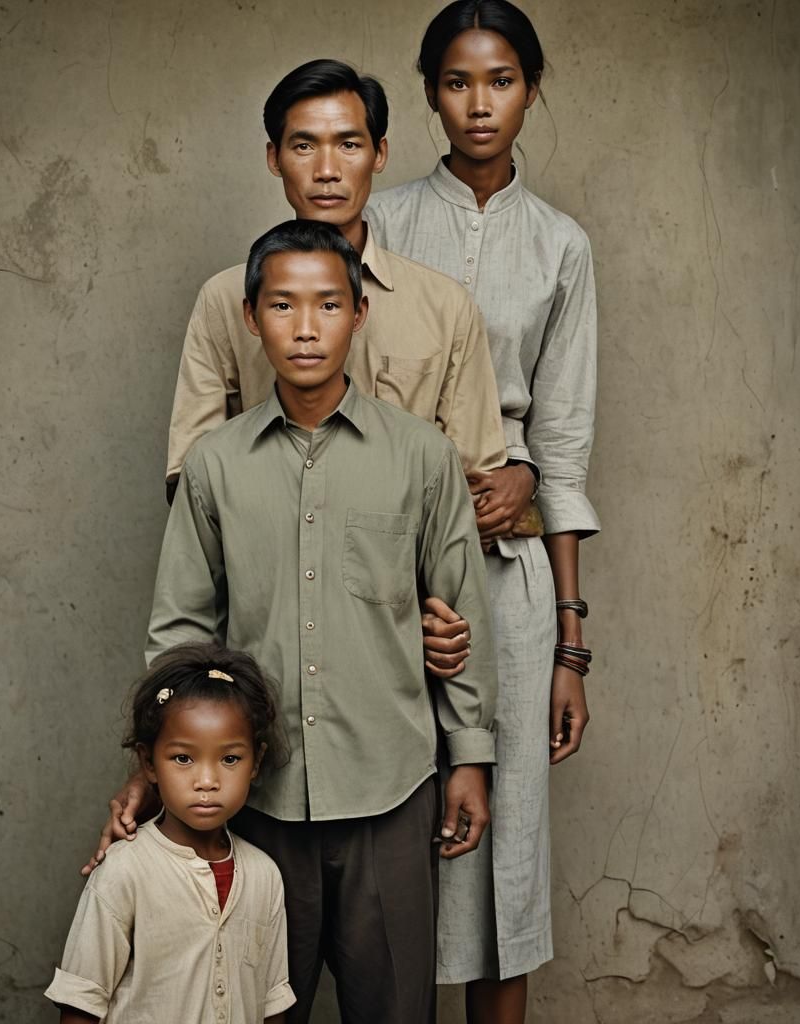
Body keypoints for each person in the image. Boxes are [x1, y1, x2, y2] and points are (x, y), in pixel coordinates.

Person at [83, 57, 513, 870]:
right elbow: (195, 492)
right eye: (302, 145)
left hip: (396, 676)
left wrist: (407, 603)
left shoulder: (443, 306)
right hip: (264, 673)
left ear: (380, 153)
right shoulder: (222, 303)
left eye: (347, 144)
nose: (325, 168)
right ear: (273, 156)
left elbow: (472, 501)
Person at [146, 219, 498, 1023]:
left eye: (329, 305)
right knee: (257, 1008)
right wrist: (165, 767)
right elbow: (178, 633)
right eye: (282, 306)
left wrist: (471, 756)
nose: (306, 328)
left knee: (398, 1008)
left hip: (392, 789)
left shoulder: (422, 457)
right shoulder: (215, 465)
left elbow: (460, 607)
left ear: (359, 315)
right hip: (257, 797)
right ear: (249, 317)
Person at [364, 3, 601, 1022]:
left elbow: (564, 440)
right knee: (391, 836)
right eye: (457, 81)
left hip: (508, 581)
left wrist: (569, 645)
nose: (478, 102)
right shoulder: (379, 223)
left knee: (502, 848)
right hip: (390, 569)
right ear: (428, 93)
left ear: (532, 89)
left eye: (500, 79)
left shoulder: (560, 246)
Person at [44, 642, 295, 1024]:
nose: (207, 781)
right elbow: (80, 1004)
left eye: (230, 759)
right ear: (148, 763)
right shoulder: (124, 871)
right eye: (183, 758)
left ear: (256, 762)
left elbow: (271, 1004)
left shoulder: (265, 876)